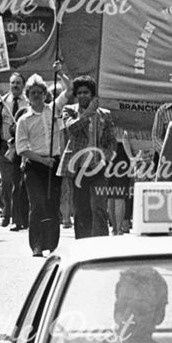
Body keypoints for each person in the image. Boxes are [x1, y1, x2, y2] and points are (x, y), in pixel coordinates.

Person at [58, 74, 115, 239]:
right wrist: (87, 113)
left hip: (98, 167)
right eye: (80, 92)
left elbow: (111, 139)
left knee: (99, 207)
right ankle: (82, 243)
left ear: (92, 94)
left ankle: (101, 244)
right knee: (81, 208)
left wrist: (107, 153)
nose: (83, 95)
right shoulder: (69, 110)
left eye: (86, 92)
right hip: (78, 167)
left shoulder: (105, 114)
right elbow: (72, 129)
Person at [17, 74, 68, 256]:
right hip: (35, 166)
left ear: (45, 94)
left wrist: (60, 73)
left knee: (52, 204)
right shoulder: (24, 120)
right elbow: (21, 149)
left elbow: (69, 91)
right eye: (33, 93)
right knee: (37, 204)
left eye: (39, 92)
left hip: (53, 164)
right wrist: (41, 160)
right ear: (27, 95)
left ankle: (52, 244)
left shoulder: (53, 110)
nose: (36, 95)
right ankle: (37, 244)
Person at [0, 73, 27, 231]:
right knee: (6, 181)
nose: (15, 86)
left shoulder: (28, 102)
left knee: (18, 183)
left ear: (23, 85)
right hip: (5, 147)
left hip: (22, 147)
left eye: (18, 83)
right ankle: (7, 212)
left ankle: (18, 216)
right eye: (13, 83)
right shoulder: (2, 101)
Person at [111, 267, 168, 343]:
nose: (128, 316)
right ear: (115, 311)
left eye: (139, 309)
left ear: (159, 315)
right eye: (123, 306)